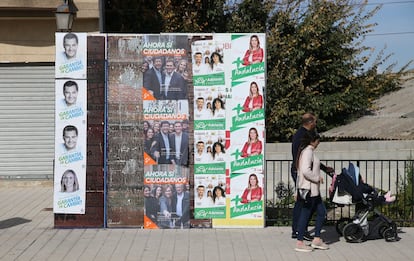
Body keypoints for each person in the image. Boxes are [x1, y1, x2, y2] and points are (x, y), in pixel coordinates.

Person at [291, 112, 333, 240]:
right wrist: (315, 177)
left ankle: (299, 230)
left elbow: (310, 160)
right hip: (302, 174)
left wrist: (324, 168)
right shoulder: (303, 137)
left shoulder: (300, 135)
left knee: (304, 202)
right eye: (315, 122)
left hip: (300, 172)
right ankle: (299, 231)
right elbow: (304, 160)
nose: (316, 125)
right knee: (304, 203)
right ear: (310, 123)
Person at [295, 130, 329, 252]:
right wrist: (317, 178)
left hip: (313, 190)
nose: (319, 143)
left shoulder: (307, 151)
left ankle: (317, 239)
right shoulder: (308, 152)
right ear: (313, 141)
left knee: (321, 212)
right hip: (310, 189)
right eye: (318, 140)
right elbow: (305, 170)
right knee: (306, 214)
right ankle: (300, 242)